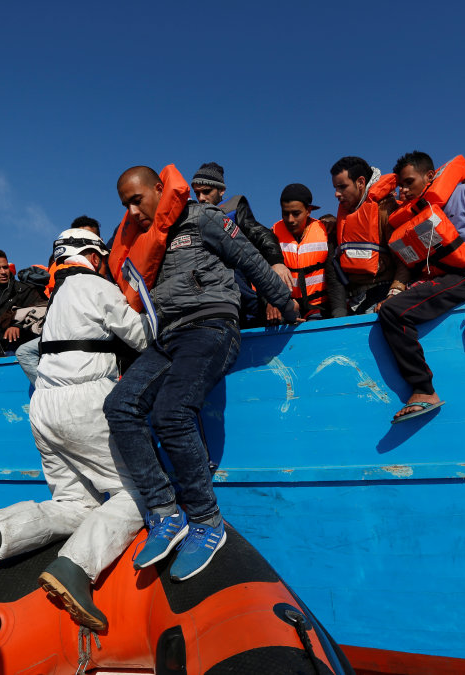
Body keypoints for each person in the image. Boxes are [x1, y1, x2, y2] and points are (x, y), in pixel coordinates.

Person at [0, 229, 148, 630]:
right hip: (85, 401)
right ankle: (75, 568)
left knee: (76, 503)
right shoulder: (96, 284)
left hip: (43, 405)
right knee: (136, 493)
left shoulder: (58, 297)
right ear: (92, 255)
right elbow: (141, 336)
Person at [104, 165, 296, 582]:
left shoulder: (203, 219)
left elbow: (254, 262)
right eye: (125, 205)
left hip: (211, 326)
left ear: (159, 188)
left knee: (171, 413)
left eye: (137, 199)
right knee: (119, 406)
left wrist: (290, 306)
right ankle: (164, 512)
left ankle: (207, 521)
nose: (132, 211)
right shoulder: (144, 242)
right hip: (168, 337)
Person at [381, 151, 465, 422]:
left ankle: (424, 390)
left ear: (430, 176)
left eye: (408, 182)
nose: (403, 191)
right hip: (439, 279)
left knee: (394, 312)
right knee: (387, 306)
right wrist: (396, 290)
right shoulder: (413, 213)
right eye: (400, 186)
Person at [191, 161, 292, 326]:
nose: (201, 198)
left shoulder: (234, 209)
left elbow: (260, 234)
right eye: (197, 193)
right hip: (209, 298)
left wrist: (276, 262)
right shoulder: (193, 216)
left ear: (221, 190)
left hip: (238, 291)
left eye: (207, 192)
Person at [331, 156, 401, 314]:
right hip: (355, 301)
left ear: (361, 182)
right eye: (335, 187)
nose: (336, 194)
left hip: (381, 297)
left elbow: (404, 262)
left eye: (342, 187)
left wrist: (394, 295)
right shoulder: (346, 215)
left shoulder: (385, 210)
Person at [271, 183, 339, 320]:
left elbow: (335, 279)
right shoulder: (271, 236)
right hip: (287, 310)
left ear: (308, 211)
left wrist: (339, 312)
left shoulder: (326, 232)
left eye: (296, 214)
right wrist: (271, 301)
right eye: (285, 213)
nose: (290, 220)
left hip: (319, 309)